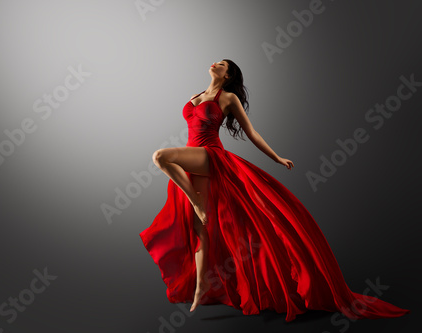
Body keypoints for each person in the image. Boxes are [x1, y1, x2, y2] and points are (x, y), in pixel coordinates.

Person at [139, 59, 410, 321]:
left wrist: (276, 157)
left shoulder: (228, 99)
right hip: (193, 160)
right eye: (215, 62)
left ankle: (196, 201)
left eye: (222, 64)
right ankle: (200, 287)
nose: (215, 64)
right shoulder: (195, 95)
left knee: (160, 156)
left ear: (228, 76)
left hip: (211, 156)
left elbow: (251, 132)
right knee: (200, 228)